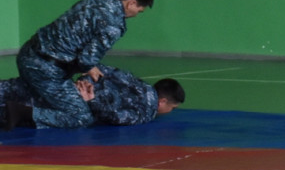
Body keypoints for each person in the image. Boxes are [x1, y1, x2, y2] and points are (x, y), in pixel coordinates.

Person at [12, 0, 152, 130]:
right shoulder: (113, 25)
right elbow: (86, 60)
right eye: (139, 10)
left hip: (28, 53)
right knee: (81, 116)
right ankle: (21, 113)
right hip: (47, 70)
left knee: (29, 92)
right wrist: (90, 68)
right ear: (131, 3)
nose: (136, 14)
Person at [0, 65, 184, 129]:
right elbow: (116, 117)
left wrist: (84, 81)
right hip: (81, 104)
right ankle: (20, 113)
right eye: (172, 108)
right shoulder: (145, 112)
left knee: (17, 88)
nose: (169, 112)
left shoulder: (133, 79)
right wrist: (91, 98)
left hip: (70, 86)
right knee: (80, 119)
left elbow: (98, 69)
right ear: (163, 102)